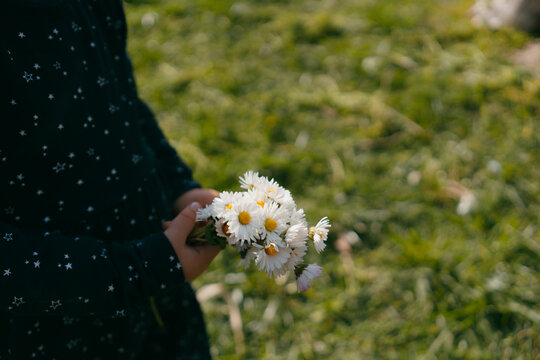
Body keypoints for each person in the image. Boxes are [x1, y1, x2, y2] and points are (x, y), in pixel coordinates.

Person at [1, 1, 221, 359]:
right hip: (48, 329)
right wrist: (137, 271)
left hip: (154, 294)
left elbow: (122, 101)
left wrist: (180, 186)